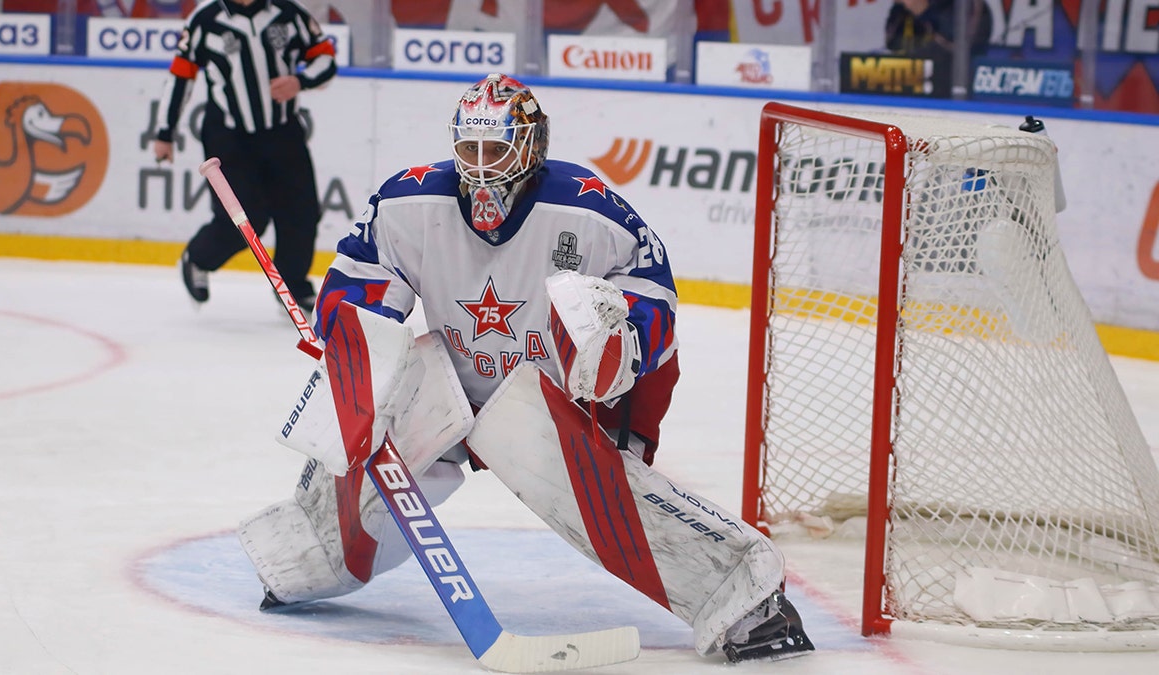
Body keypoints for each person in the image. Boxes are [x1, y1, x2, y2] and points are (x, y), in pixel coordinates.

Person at [236, 73, 814, 663]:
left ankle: (749, 599)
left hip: (547, 395)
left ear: (531, 146)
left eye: (497, 149)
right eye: (470, 149)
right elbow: (356, 288)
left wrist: (628, 407)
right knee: (371, 439)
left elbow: (656, 313)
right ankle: (306, 560)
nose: (482, 167)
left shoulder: (590, 211)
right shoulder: (409, 203)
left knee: (606, 501)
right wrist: (353, 341)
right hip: (449, 382)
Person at [152, 0, 336, 314]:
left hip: (282, 130)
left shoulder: (289, 13)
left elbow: (325, 57)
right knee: (242, 218)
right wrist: (165, 131)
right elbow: (181, 75)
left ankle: (291, 285)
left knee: (301, 211)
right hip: (228, 136)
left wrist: (300, 81)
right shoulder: (205, 19)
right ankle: (198, 258)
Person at [885, 0, 992, 61]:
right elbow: (892, 44)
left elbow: (966, 45)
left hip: (951, 90)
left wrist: (926, 12)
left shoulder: (970, 4)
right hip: (907, 84)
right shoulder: (904, 7)